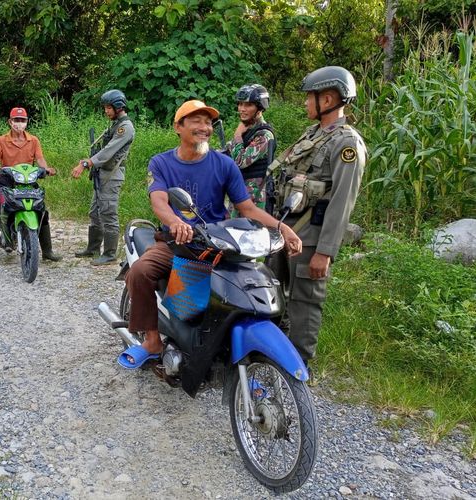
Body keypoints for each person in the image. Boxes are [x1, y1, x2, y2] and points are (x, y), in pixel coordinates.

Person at [120, 100, 302, 367]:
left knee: (250, 283)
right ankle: (151, 339)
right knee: (140, 271)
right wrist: (175, 222)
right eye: (196, 121)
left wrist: (282, 228)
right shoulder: (161, 163)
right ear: (178, 127)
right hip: (176, 243)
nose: (204, 127)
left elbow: (247, 207)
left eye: (208, 122)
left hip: (218, 244)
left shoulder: (224, 164)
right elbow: (159, 201)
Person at [268, 66, 367, 367]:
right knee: (273, 293)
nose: (305, 104)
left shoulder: (346, 143)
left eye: (309, 98)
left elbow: (341, 202)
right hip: (285, 233)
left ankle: (297, 367)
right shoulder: (313, 134)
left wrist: (325, 252)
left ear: (327, 100)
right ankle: (271, 355)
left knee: (305, 303)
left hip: (310, 238)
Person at [0, 107, 61, 266]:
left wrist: (45, 169)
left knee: (42, 212)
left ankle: (47, 251)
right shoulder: (1, 140)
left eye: (23, 120)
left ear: (27, 122)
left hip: (28, 182)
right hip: (6, 181)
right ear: (10, 122)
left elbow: (40, 159)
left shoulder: (33, 140)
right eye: (16, 120)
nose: (19, 124)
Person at [71, 89, 135, 265]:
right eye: (105, 108)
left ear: (118, 107)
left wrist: (87, 163)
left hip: (112, 176)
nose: (106, 111)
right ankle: (93, 248)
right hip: (103, 174)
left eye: (108, 108)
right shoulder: (115, 124)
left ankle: (109, 253)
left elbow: (108, 152)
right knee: (95, 212)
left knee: (108, 213)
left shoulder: (125, 127)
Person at [223, 84, 276, 215]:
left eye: (248, 105)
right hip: (239, 192)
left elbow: (240, 162)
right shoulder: (247, 131)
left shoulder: (264, 135)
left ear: (259, 108)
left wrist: (237, 136)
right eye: (240, 104)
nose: (242, 109)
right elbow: (228, 152)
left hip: (255, 197)